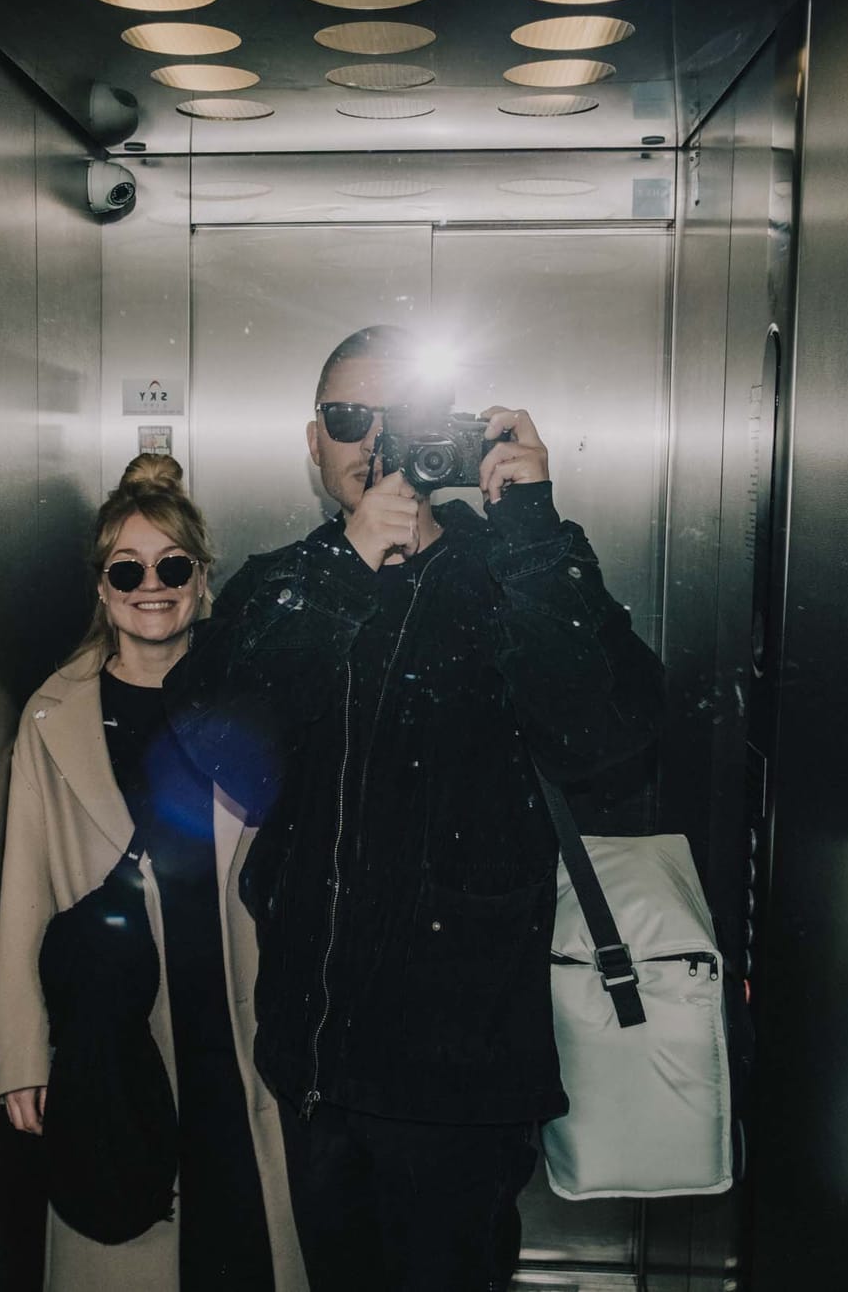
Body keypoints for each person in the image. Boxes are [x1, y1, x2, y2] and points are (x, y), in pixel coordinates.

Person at [163, 326, 665, 1292]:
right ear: (314, 440)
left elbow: (609, 741)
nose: (376, 441)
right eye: (350, 418)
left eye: (402, 419)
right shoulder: (284, 584)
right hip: (314, 1060)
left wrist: (531, 527)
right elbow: (215, 750)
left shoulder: (513, 572)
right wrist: (345, 572)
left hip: (465, 1070)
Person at [0, 455, 308, 1292]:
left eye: (173, 566)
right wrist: (22, 1055)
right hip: (121, 1024)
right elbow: (24, 888)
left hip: (243, 1009)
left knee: (247, 1240)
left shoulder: (254, 697)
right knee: (137, 1241)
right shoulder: (53, 715)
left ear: (203, 578)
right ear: (103, 588)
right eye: (127, 570)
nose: (152, 587)